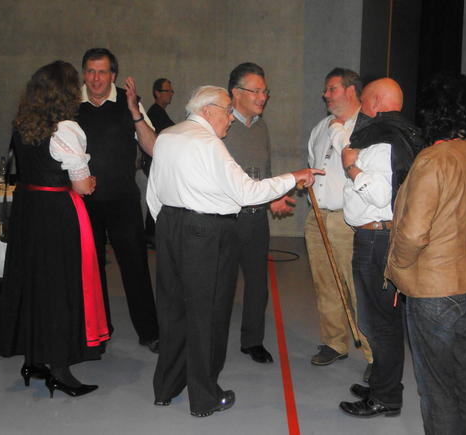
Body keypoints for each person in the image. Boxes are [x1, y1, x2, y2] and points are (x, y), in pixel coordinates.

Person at [147, 85, 323, 417]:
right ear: (208, 111)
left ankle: (166, 387)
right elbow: (247, 193)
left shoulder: (168, 136)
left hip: (169, 226)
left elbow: (154, 193)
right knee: (209, 314)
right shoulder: (208, 143)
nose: (231, 118)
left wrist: (171, 227)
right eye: (227, 111)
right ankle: (205, 397)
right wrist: (294, 176)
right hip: (206, 233)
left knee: (173, 311)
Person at [384, 73, 466, 434]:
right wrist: (460, 235)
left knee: (437, 386)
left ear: (432, 112)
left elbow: (413, 233)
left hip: (433, 291)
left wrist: (398, 266)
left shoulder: (432, 159)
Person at [0, 60, 109, 398]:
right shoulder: (66, 129)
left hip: (28, 211)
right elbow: (82, 186)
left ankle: (33, 359)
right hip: (56, 214)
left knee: (34, 282)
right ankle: (59, 369)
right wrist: (90, 182)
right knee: (61, 286)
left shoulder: (23, 124)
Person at [339, 78, 423, 417]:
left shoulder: (385, 142)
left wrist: (351, 166)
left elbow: (379, 195)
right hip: (379, 237)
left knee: (380, 323)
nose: (360, 107)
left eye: (363, 100)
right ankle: (382, 385)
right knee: (380, 319)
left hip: (377, 239)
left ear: (374, 101)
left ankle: (386, 397)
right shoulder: (399, 135)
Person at [77, 48, 159, 353]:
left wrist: (135, 111)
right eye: (90, 71)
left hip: (123, 199)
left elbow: (152, 147)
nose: (96, 78)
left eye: (102, 72)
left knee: (135, 265)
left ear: (113, 75)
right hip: (84, 201)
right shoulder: (71, 104)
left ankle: (149, 332)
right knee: (91, 269)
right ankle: (99, 331)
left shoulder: (128, 101)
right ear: (84, 73)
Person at [223, 62, 295, 364]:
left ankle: (252, 341)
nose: (263, 97)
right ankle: (212, 341)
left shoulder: (261, 127)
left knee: (257, 284)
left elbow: (264, 172)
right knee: (221, 285)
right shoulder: (221, 125)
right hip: (226, 219)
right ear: (236, 93)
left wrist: (272, 197)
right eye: (256, 91)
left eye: (265, 91)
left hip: (255, 219)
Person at [305, 67, 372, 368]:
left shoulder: (368, 127)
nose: (325, 95)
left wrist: (339, 131)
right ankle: (334, 343)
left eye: (332, 89)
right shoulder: (320, 128)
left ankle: (373, 355)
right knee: (326, 284)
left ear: (351, 90)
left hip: (350, 221)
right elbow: (314, 166)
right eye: (326, 90)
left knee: (358, 289)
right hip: (318, 217)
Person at [139, 77, 176, 246]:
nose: (171, 94)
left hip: (156, 163)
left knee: (158, 196)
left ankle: (151, 233)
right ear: (157, 93)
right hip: (153, 163)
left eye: (171, 91)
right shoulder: (155, 113)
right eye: (167, 91)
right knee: (157, 197)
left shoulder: (159, 112)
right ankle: (151, 233)